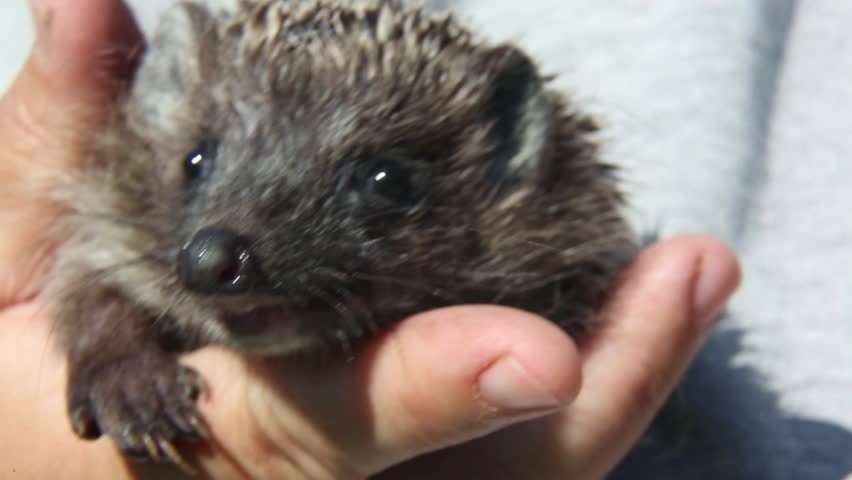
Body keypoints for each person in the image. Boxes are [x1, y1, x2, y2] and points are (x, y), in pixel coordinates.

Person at [0, 0, 739, 478]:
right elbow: (88, 272)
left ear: (507, 155)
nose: (215, 249)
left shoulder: (549, 253)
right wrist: (107, 354)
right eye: (200, 165)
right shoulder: (133, 202)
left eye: (382, 186)